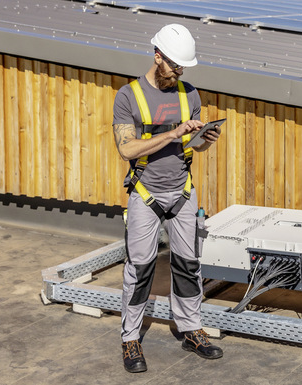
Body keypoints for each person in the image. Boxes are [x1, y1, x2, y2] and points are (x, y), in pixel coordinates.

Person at [111, 23, 222, 374]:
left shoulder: (189, 94)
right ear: (157, 56)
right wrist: (173, 133)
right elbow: (126, 148)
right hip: (146, 194)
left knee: (188, 266)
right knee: (140, 269)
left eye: (183, 68)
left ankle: (190, 329)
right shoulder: (129, 96)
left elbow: (190, 146)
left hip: (182, 192)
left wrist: (204, 138)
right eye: (174, 66)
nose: (178, 72)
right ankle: (130, 337)